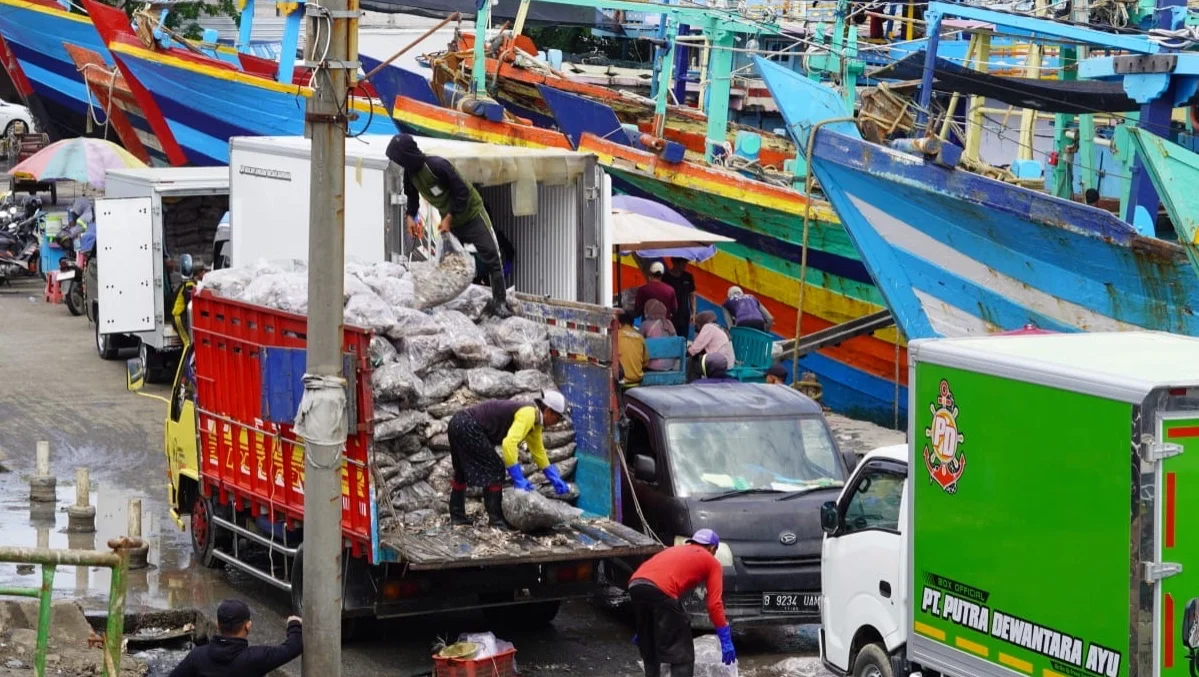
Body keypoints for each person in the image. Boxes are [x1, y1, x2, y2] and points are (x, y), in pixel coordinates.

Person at [386, 133, 512, 318]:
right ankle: (454, 303)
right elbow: (412, 196)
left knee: (492, 257)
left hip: (472, 214)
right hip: (450, 220)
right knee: (451, 263)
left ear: (408, 155)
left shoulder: (436, 165)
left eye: (400, 159)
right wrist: (410, 216)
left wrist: (449, 217)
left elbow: (462, 191)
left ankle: (499, 303)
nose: (400, 164)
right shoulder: (410, 174)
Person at [447, 389, 570, 528]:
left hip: (458, 423)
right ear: (549, 411)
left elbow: (538, 451)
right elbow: (509, 444)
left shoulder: (535, 421)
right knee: (495, 469)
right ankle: (497, 521)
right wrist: (518, 478)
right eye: (558, 418)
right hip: (467, 425)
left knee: (462, 471)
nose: (557, 422)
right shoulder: (528, 414)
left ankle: (457, 516)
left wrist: (554, 477)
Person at [630, 528, 736, 677]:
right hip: (660, 590)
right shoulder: (711, 562)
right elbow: (714, 604)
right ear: (712, 548)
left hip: (635, 585)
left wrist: (647, 625)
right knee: (682, 654)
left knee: (651, 648)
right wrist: (725, 639)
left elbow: (658, 588)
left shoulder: (675, 551)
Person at [168, 599, 302, 677]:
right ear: (248, 626)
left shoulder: (197, 656)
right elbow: (293, 646)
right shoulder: (257, 658)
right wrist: (294, 624)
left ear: (217, 623)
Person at [640, 299, 678, 372]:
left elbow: (637, 344)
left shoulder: (645, 324)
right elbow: (676, 343)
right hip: (669, 365)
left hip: (652, 367)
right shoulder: (669, 323)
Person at [664, 259, 696, 337]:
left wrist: (693, 313)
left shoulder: (688, 277)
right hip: (670, 315)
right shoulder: (666, 277)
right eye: (683, 262)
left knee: (682, 339)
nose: (685, 265)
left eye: (686, 262)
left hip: (684, 314)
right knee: (670, 338)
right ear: (675, 262)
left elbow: (692, 296)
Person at [618, 309, 650, 385]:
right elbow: (646, 362)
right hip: (637, 378)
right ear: (632, 324)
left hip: (621, 379)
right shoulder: (640, 337)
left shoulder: (616, 335)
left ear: (619, 324)